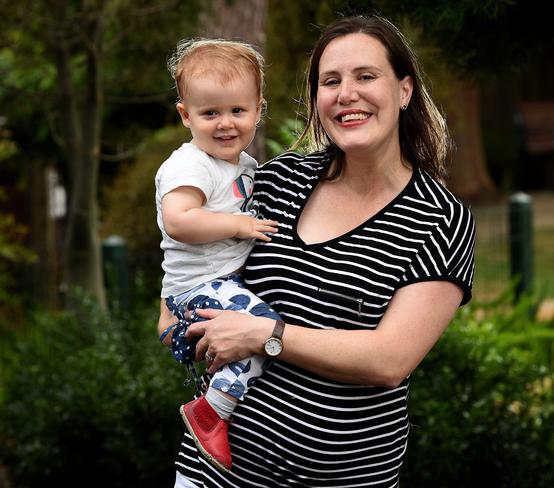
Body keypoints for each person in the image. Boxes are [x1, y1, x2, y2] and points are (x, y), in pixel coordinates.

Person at [158, 14, 476, 488]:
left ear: (404, 90)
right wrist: (179, 325)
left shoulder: (439, 219)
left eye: (366, 76)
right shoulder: (278, 181)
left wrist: (265, 334)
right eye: (331, 81)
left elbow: (389, 360)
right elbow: (185, 273)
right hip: (216, 473)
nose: (347, 93)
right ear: (317, 100)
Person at [155, 38, 281, 473]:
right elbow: (178, 221)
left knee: (254, 336)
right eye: (209, 113)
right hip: (199, 288)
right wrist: (240, 225)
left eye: (237, 111)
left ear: (258, 110)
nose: (225, 124)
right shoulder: (189, 165)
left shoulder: (243, 165)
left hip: (219, 283)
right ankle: (211, 412)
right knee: (262, 331)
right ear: (185, 115)